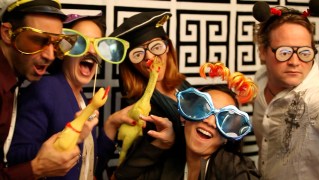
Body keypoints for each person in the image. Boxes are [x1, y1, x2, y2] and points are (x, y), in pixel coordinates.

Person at [7, 12, 130, 179]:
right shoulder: (45, 89)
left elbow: (91, 165)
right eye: (81, 42)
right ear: (63, 49)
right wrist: (69, 137)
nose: (91, 50)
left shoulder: (84, 100)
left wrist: (111, 124)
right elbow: (14, 157)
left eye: (97, 44)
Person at [95, 11, 192, 178]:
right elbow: (129, 169)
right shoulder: (140, 108)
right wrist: (165, 142)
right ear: (131, 65)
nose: (150, 59)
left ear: (167, 47)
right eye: (138, 54)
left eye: (156, 47)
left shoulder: (184, 86)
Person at [0, 0, 82, 179]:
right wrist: (36, 168)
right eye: (38, 40)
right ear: (7, 34)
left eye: (57, 43)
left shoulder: (15, 79)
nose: (50, 55)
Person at [113, 84, 261, 180]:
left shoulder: (235, 170)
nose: (210, 121)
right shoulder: (170, 163)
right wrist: (162, 144)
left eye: (224, 120)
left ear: (226, 138)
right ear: (185, 117)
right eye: (203, 109)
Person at [252, 2, 319, 179]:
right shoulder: (258, 81)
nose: (295, 62)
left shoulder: (314, 98)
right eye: (284, 52)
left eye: (305, 52)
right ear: (262, 52)